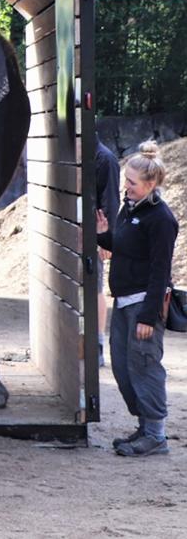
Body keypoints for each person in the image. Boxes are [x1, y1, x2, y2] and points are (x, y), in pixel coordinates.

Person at [96, 140, 178, 457]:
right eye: (125, 180)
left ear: (151, 184)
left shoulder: (161, 219)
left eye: (131, 182)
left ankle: (156, 436)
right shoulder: (130, 207)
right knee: (123, 367)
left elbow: (160, 272)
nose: (125, 187)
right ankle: (145, 429)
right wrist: (104, 234)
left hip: (144, 305)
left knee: (144, 367)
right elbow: (124, 248)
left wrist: (148, 316)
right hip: (124, 301)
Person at [95, 135, 120, 366]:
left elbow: (111, 202)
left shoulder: (105, 159)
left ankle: (98, 344)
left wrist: (105, 240)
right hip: (81, 232)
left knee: (94, 288)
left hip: (97, 232)